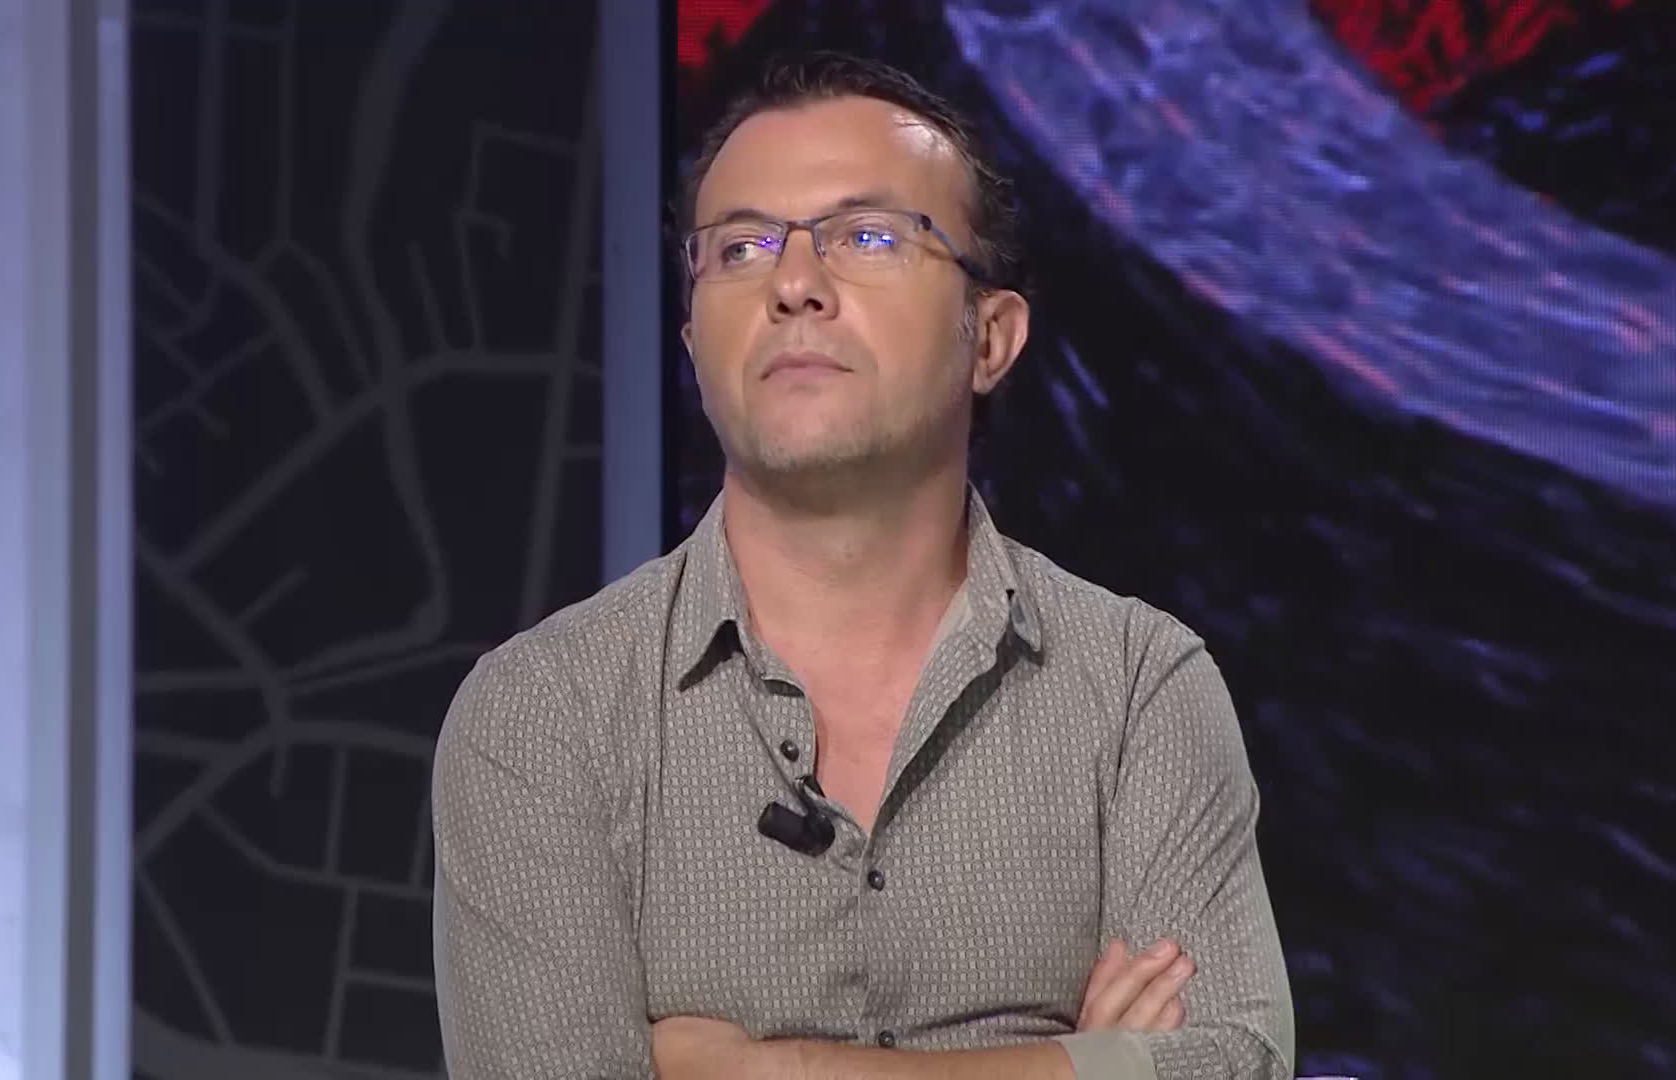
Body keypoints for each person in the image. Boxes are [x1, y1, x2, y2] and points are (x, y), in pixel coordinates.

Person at [431, 50, 1294, 1079]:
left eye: (868, 236)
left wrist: (770, 1071)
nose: (795, 285)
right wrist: (1082, 1066)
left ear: (991, 338)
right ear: (693, 344)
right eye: (740, 248)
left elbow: (1232, 1061)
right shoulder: (543, 715)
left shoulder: (1140, 688)